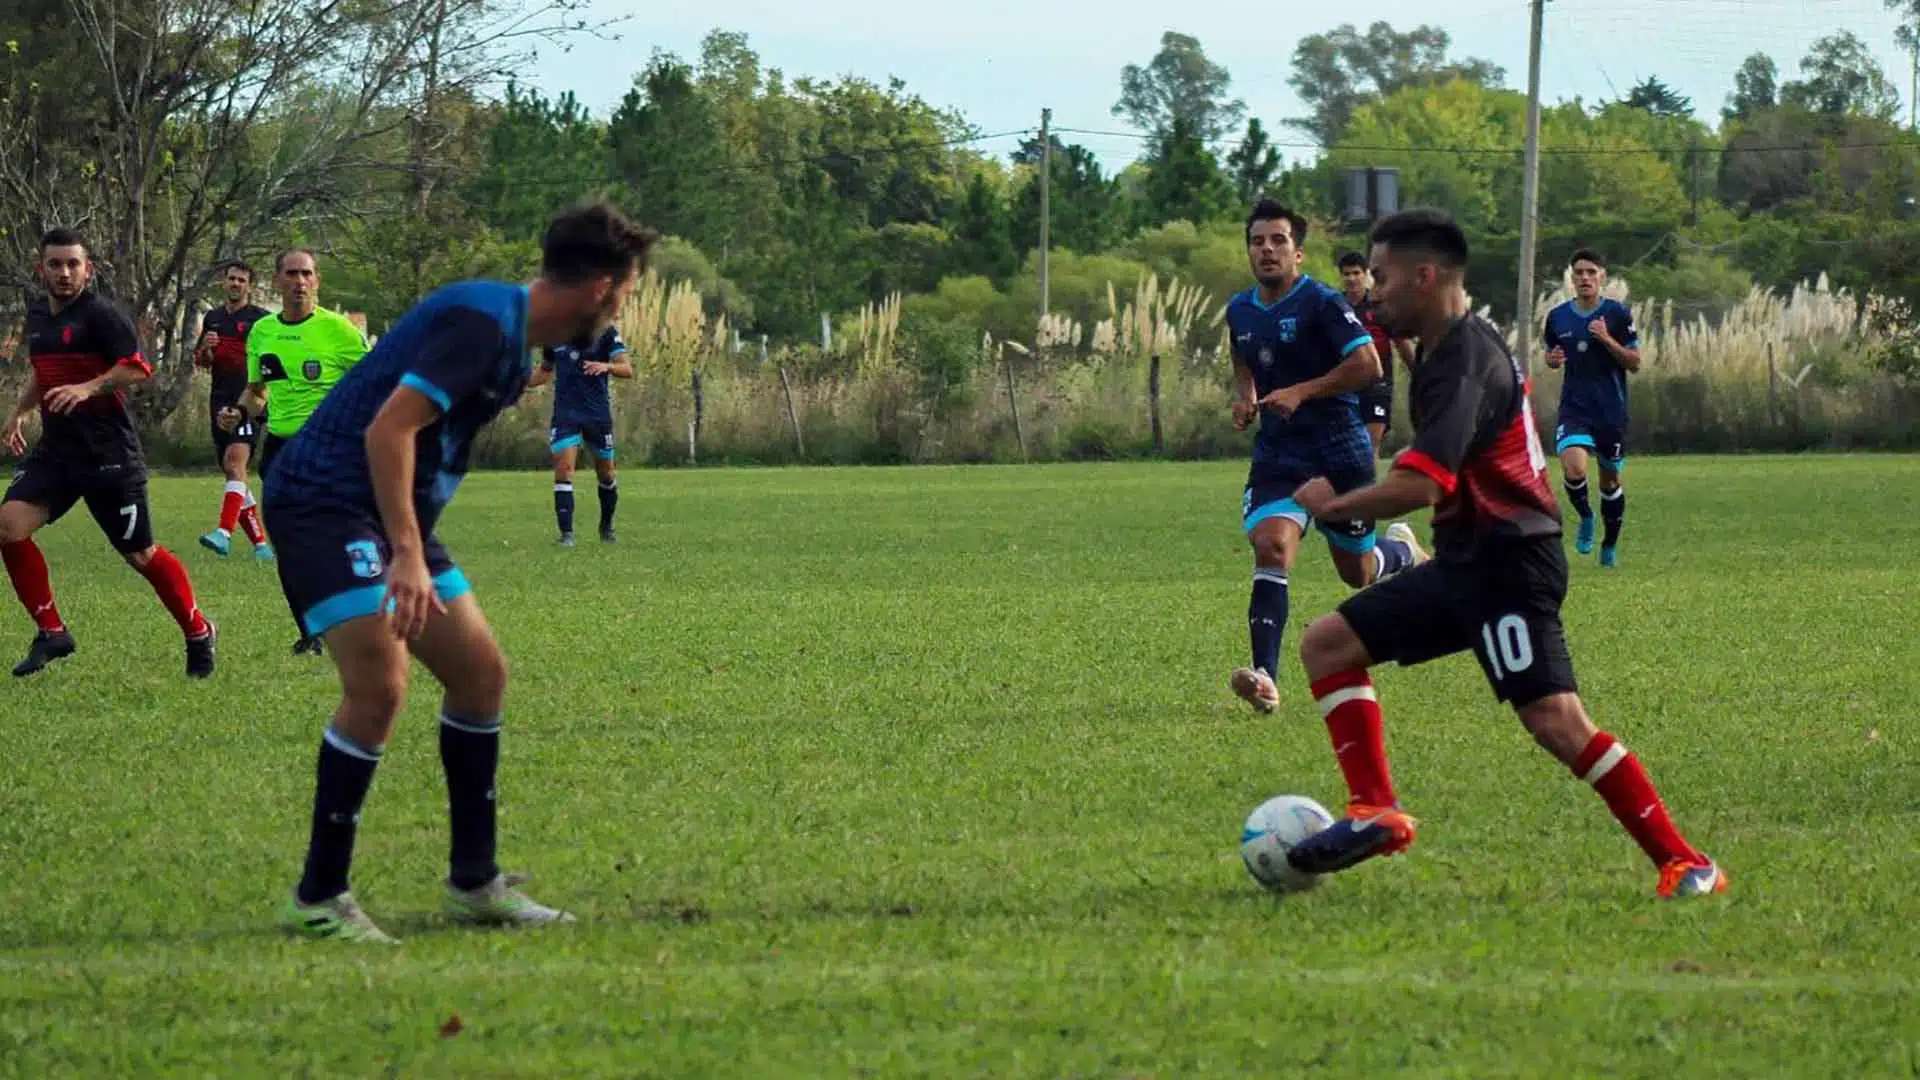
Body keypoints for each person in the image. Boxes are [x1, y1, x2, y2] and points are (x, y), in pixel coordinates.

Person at [1283, 208, 1725, 899]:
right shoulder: (1438, 346)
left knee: (1555, 721)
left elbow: (1424, 482)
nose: (1372, 294)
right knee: (1328, 644)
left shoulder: (1463, 359)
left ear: (1425, 278)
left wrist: (1332, 508)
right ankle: (1376, 809)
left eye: (1385, 279)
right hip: (1466, 559)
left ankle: (1687, 861)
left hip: (1511, 563)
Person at [268, 202, 657, 943]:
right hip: (328, 503)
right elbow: (390, 428)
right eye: (627, 294)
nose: (622, 311)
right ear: (602, 287)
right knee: (379, 686)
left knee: (481, 676)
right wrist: (408, 554)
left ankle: (474, 883)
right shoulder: (484, 324)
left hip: (389, 514)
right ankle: (317, 897)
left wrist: (411, 540)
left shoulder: (514, 335)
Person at [1225, 200, 1423, 714]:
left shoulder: (1322, 303)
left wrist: (1302, 391)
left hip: (1339, 450)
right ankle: (1266, 677)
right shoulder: (1240, 309)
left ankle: (1401, 554)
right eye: (1257, 241)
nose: (1266, 250)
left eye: (1277, 241)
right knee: (1271, 545)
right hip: (1279, 453)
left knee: (1356, 573)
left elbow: (1367, 365)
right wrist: (1244, 394)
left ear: (1298, 252)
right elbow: (1241, 355)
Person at [0, 228, 217, 678]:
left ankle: (198, 631)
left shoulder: (101, 316)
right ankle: (52, 632)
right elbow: (43, 373)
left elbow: (139, 369)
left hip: (109, 455)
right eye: (55, 264)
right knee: (8, 527)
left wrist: (89, 387)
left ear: (88, 269)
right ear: (41, 269)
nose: (64, 273)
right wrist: (19, 413)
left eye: (72, 264)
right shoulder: (39, 315)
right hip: (58, 454)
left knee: (140, 556)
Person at [220, 249, 369, 654]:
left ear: (317, 280)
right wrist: (237, 412)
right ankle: (311, 632)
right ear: (277, 280)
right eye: (291, 273)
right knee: (288, 543)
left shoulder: (339, 332)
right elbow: (257, 393)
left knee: (331, 540)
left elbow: (374, 384)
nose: (299, 281)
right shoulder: (264, 332)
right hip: (281, 450)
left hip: (330, 450)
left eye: (306, 274)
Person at [1543, 249, 1640, 567]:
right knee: (1573, 468)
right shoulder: (1557, 317)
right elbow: (1552, 353)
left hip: (1610, 411)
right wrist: (1552, 360)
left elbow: (1635, 363)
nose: (1585, 278)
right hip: (1575, 409)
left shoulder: (1618, 314)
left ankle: (1609, 544)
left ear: (1602, 277)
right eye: (1579, 273)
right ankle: (1585, 516)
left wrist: (1607, 339)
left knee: (1610, 481)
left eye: (1591, 272)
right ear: (1571, 278)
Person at [193, 260, 274, 560]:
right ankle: (261, 546)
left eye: (241, 280)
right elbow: (201, 363)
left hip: (249, 399)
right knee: (232, 473)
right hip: (219, 400)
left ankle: (223, 533)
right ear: (223, 282)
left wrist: (260, 397)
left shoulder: (261, 321)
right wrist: (206, 349)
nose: (236, 284)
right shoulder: (212, 318)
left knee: (235, 462)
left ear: (249, 286)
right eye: (231, 279)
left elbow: (269, 363)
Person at [527, 324, 632, 545]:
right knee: (563, 470)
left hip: (597, 415)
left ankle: (606, 526)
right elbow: (544, 372)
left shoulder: (605, 332)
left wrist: (606, 366)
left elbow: (626, 369)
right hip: (566, 415)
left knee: (606, 474)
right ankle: (566, 534)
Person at [1336, 250, 1414, 455]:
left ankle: (1368, 486)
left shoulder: (1380, 305)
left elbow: (1403, 343)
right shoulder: (1335, 306)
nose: (1351, 279)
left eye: (1356, 273)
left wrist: (1421, 375)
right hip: (1345, 384)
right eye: (1346, 274)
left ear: (1365, 274)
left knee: (1369, 446)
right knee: (1344, 447)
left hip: (1377, 384)